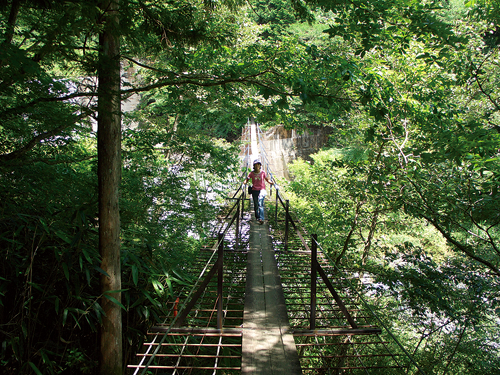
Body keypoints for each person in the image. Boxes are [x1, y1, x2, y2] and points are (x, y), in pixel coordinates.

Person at [244, 159, 274, 224]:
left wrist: (271, 183)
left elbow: (267, 179)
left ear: (260, 165)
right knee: (256, 205)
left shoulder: (263, 172)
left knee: (260, 204)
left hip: (262, 190)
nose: (257, 166)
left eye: (258, 164)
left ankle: (261, 218)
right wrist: (243, 183)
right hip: (254, 190)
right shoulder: (251, 173)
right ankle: (257, 217)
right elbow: (247, 179)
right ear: (254, 166)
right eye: (255, 165)